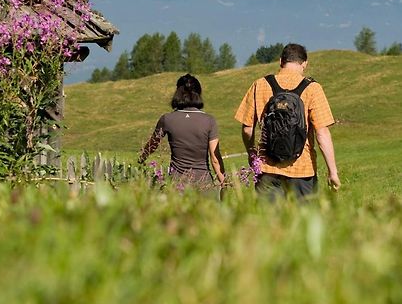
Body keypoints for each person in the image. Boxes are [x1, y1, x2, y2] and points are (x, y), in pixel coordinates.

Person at [235, 43, 341, 201]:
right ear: (304, 63)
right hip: (302, 171)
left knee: (268, 223)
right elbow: (322, 133)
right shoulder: (313, 88)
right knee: (302, 224)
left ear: (280, 61)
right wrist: (332, 172)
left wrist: (252, 155)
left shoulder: (260, 84)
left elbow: (247, 129)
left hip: (267, 169)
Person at [139, 73, 225, 188]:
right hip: (204, 184)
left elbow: (152, 145)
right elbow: (215, 158)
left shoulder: (167, 119)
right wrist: (225, 182)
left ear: (177, 93)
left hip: (177, 185)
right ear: (198, 93)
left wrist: (141, 158)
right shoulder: (209, 120)